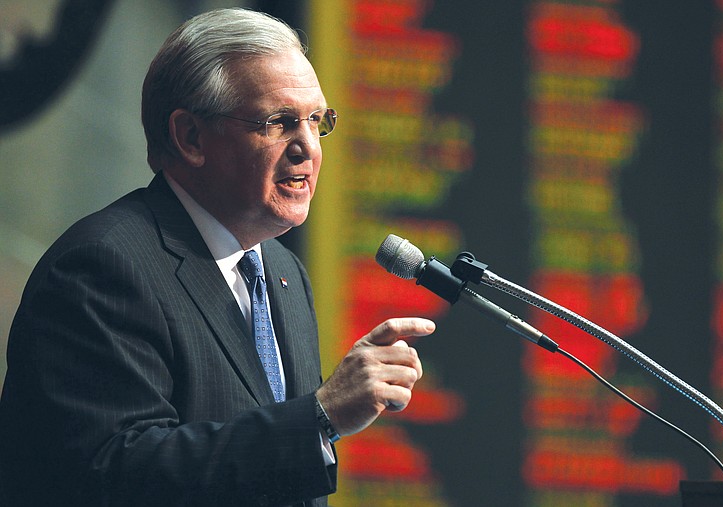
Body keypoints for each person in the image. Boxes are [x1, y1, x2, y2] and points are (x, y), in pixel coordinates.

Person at [0, 8, 434, 507]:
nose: (308, 149)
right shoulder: (103, 266)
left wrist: (316, 420)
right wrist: (320, 415)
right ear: (190, 137)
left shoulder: (282, 272)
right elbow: (115, 473)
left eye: (317, 121)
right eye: (279, 122)